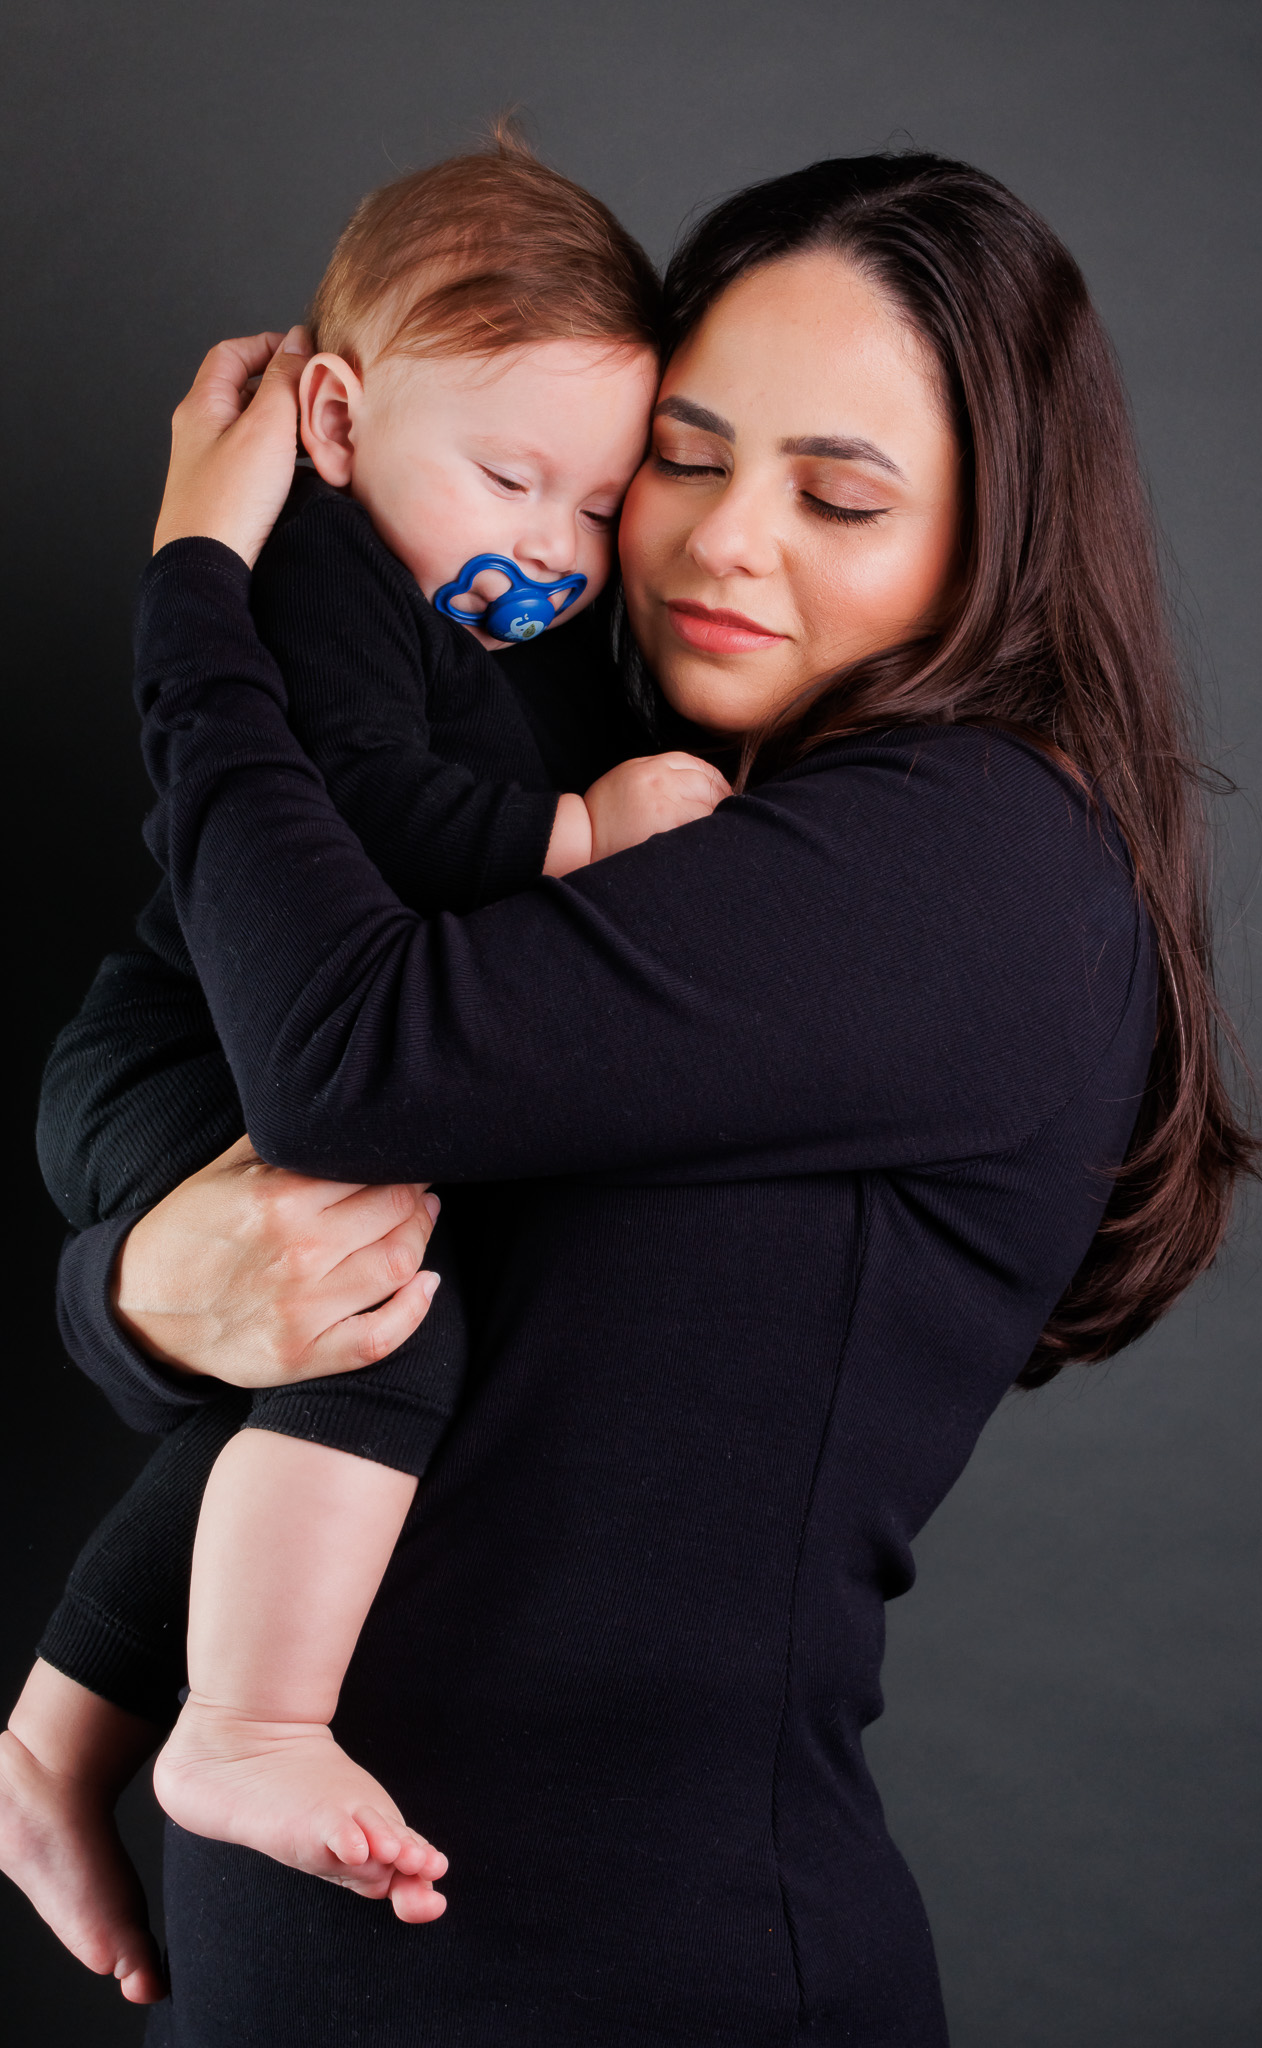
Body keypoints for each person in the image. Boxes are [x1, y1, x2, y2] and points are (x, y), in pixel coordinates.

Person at [17, 152, 1262, 2044]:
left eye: (838, 492)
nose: (716, 541)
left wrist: (199, 584)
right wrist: (133, 1295)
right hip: (294, 1961)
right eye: (677, 460)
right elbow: (278, 1187)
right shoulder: (610, 763)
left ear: (990, 538)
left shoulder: (969, 863)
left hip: (609, 1969)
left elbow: (340, 1068)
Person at [2, 135, 731, 1988]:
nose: (551, 553)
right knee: (391, 1308)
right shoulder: (321, 573)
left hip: (260, 1065)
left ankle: (46, 1742)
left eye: (595, 503)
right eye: (508, 479)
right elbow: (358, 812)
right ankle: (241, 1723)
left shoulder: (526, 608)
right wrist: (576, 841)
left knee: (336, 1340)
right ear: (333, 417)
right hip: (168, 1057)